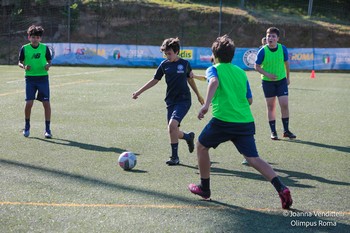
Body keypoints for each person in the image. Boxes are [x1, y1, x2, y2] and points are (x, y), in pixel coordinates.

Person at [188, 35, 293, 209]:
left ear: (215, 56)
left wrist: (206, 105)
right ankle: (281, 188)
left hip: (223, 120)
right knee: (253, 158)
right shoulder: (240, 72)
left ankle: (204, 188)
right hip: (245, 121)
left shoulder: (214, 69)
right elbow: (249, 100)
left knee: (201, 146)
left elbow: (213, 81)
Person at [132, 37, 204, 166]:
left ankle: (174, 157)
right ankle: (188, 137)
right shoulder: (164, 65)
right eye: (165, 53)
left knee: (172, 126)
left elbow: (190, 80)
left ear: (176, 51)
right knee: (173, 130)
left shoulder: (185, 64)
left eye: (169, 53)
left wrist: (198, 95)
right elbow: (154, 80)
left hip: (184, 100)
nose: (167, 56)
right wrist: (139, 92)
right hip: (170, 101)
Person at [255, 27, 296, 140]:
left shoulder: (283, 48)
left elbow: (287, 63)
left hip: (281, 81)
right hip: (268, 82)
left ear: (277, 38)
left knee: (284, 104)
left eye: (273, 36)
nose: (270, 38)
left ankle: (286, 131)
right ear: (266, 37)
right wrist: (267, 74)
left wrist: (288, 78)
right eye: (268, 36)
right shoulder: (262, 51)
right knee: (271, 106)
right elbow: (256, 67)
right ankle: (273, 132)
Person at [18, 25, 52, 138]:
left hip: (43, 78)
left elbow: (49, 60)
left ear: (40, 38)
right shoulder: (24, 48)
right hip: (30, 79)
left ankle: (47, 129)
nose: (35, 39)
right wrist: (24, 66)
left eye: (37, 37)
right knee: (29, 103)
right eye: (33, 37)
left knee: (46, 104)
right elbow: (19, 62)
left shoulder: (45, 48)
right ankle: (27, 127)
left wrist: (48, 65)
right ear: (29, 37)